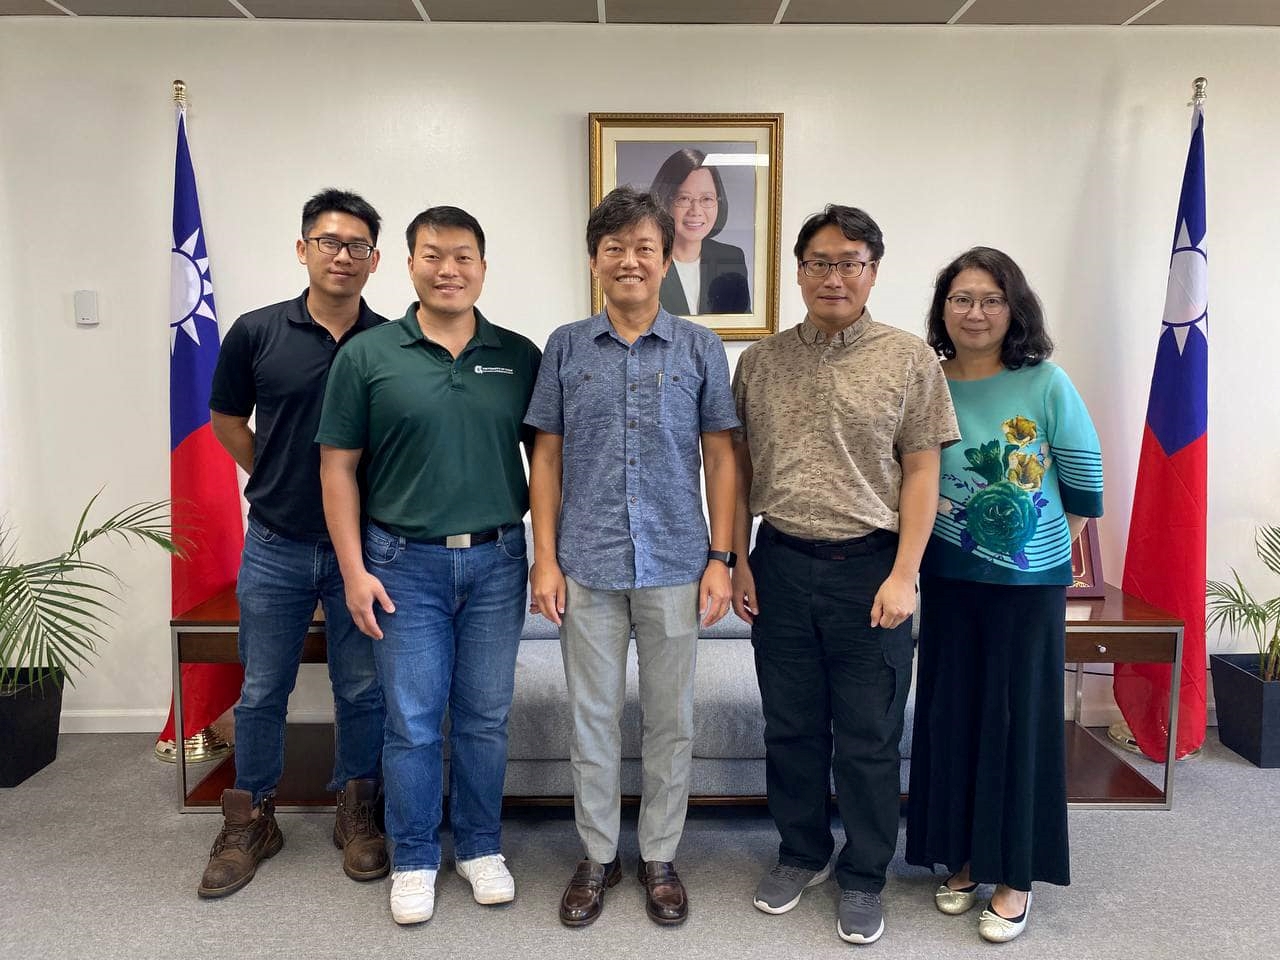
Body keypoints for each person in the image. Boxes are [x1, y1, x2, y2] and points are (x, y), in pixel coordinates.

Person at [731, 205, 960, 945]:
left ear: (873, 272)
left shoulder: (909, 359)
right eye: (820, 263)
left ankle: (864, 873)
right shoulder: (759, 362)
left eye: (850, 263)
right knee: (790, 727)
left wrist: (905, 574)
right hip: (780, 563)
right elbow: (736, 468)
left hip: (871, 569)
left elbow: (923, 470)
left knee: (868, 734)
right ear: (798, 271)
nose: (834, 277)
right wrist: (736, 558)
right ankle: (801, 852)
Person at [316, 206, 541, 926]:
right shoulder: (368, 355)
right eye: (434, 255)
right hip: (400, 564)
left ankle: (479, 846)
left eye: (464, 256)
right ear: (409, 264)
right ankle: (413, 855)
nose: (449, 270)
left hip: (498, 560)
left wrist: (548, 555)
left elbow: (549, 463)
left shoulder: (520, 355)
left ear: (483, 267)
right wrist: (353, 570)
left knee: (484, 716)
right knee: (412, 720)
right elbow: (337, 468)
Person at [525, 186, 739, 928]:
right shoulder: (565, 346)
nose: (629, 260)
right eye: (614, 248)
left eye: (644, 247)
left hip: (678, 563)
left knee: (670, 722)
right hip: (587, 563)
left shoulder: (700, 347)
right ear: (594, 261)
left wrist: (722, 557)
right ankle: (596, 856)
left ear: (665, 258)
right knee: (592, 719)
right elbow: (545, 458)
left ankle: (658, 856)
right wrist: (544, 558)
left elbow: (722, 457)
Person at [905, 247, 1103, 944]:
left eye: (991, 299)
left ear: (1014, 308)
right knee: (953, 716)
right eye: (961, 299)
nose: (975, 312)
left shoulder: (1046, 382)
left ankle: (1015, 875)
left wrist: (1041, 550)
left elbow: (1082, 484)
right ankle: (964, 859)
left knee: (1019, 723)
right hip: (948, 582)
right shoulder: (927, 381)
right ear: (943, 309)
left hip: (1027, 590)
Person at [199, 188, 389, 899]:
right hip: (275, 543)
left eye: (358, 245)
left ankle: (357, 809)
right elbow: (226, 421)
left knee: (362, 687)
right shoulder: (255, 332)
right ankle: (251, 817)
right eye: (329, 242)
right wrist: (275, 475)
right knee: (261, 688)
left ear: (375, 260)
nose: (343, 256)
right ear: (303, 248)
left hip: (363, 549)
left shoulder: (390, 341)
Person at [650, 147, 751, 315]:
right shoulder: (646, 261)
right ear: (664, 201)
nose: (696, 211)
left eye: (707, 199)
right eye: (684, 198)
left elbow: (743, 324)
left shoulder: (732, 258)